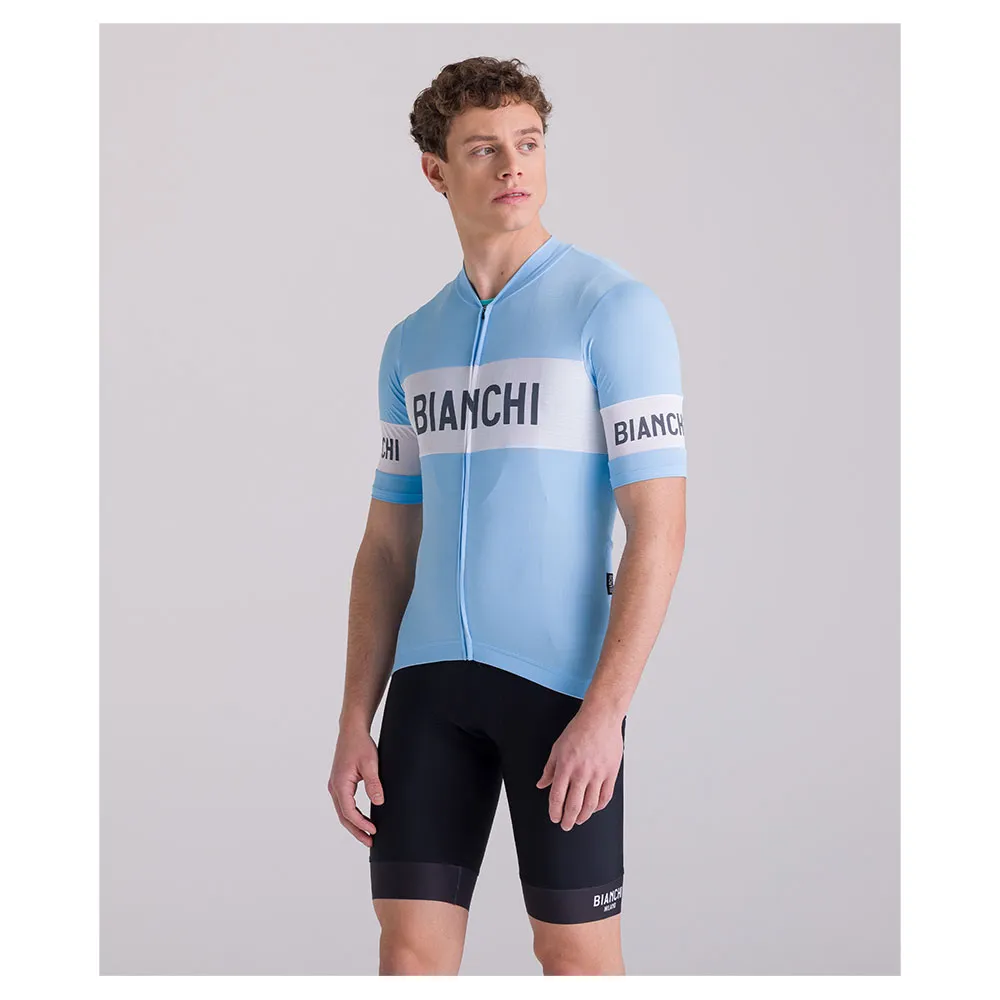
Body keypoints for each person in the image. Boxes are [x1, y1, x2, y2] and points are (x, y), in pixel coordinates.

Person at [328, 56, 687, 976]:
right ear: (435, 170)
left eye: (528, 143)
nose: (513, 165)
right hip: (428, 694)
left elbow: (659, 526)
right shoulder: (411, 343)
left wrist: (605, 712)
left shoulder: (614, 310)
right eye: (483, 149)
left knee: (574, 956)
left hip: (558, 690)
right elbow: (386, 546)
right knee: (409, 954)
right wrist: (356, 715)